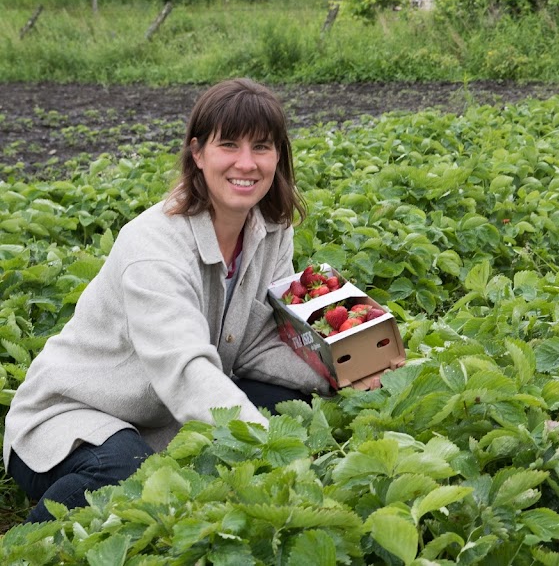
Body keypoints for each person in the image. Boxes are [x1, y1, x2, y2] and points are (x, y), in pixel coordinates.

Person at [3, 78, 332, 523]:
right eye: (229, 145)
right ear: (197, 154)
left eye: (262, 147)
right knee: (125, 467)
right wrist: (271, 448)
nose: (247, 163)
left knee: (291, 401)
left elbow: (256, 343)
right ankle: (29, 547)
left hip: (164, 417)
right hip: (73, 417)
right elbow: (186, 371)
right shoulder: (153, 246)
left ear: (279, 156)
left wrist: (342, 371)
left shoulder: (272, 231)